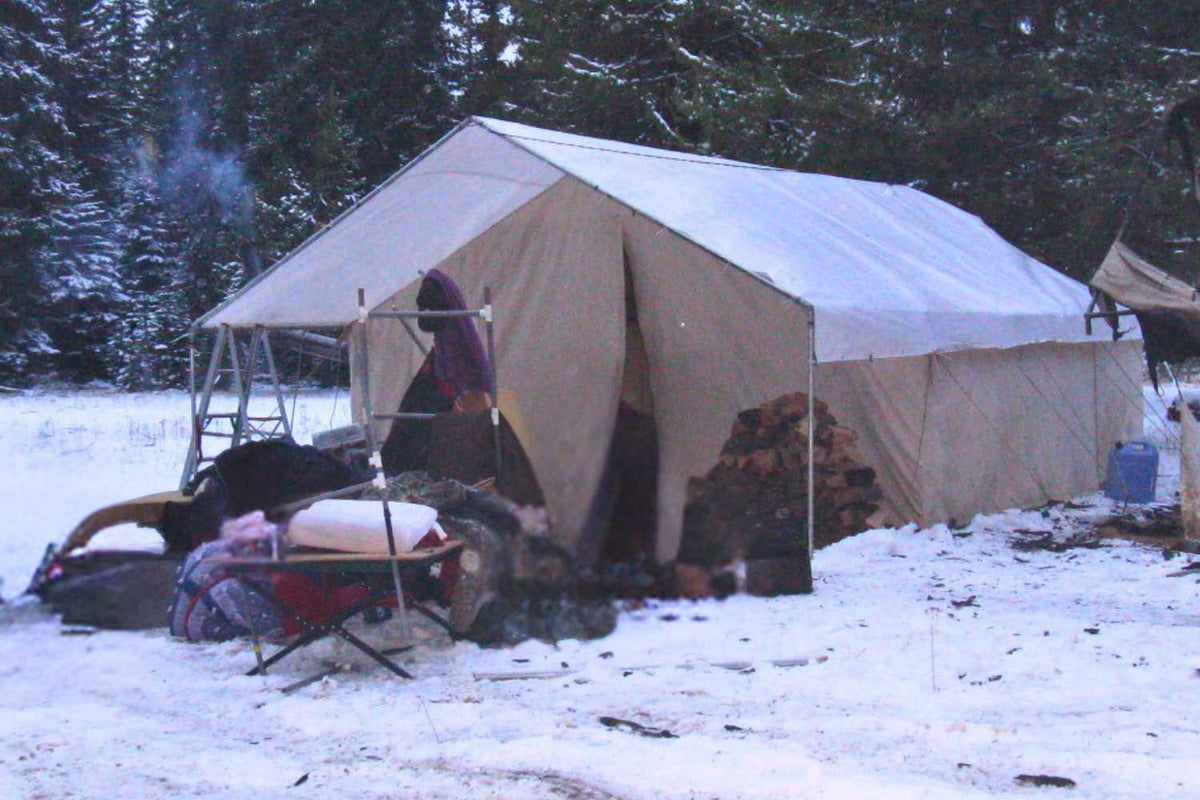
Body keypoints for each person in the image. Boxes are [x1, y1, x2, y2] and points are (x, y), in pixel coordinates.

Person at [381, 270, 492, 473]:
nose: (424, 312)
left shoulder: (459, 352)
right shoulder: (444, 350)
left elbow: (471, 386)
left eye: (429, 308)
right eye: (423, 308)